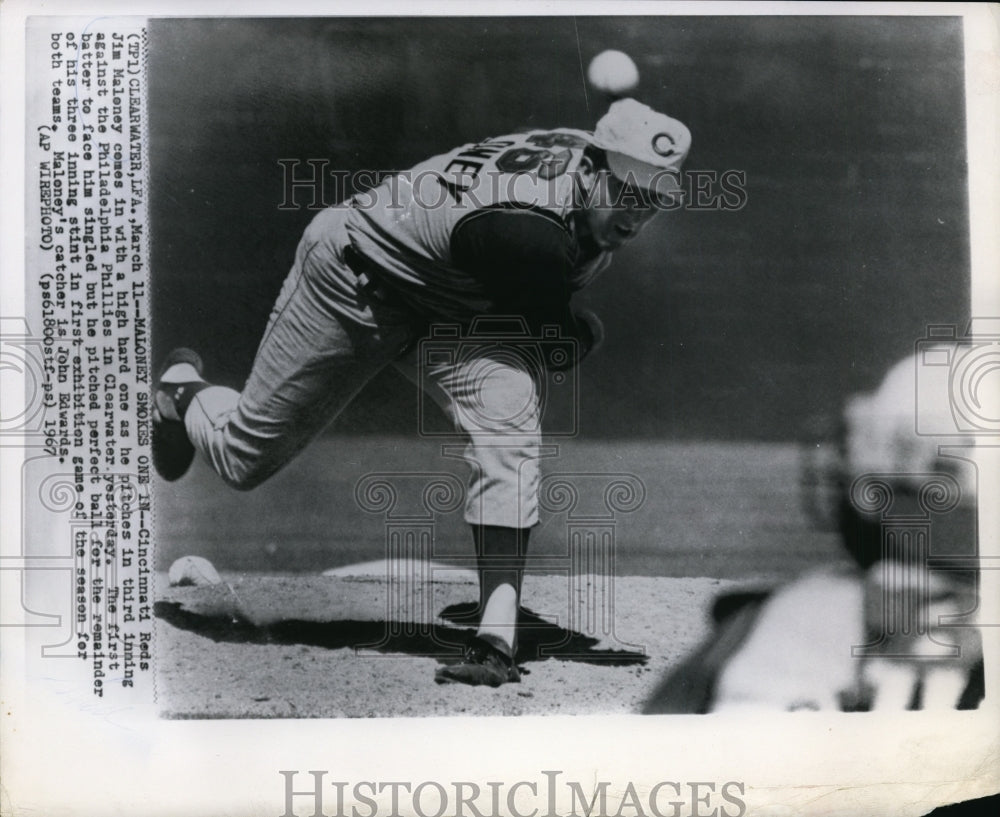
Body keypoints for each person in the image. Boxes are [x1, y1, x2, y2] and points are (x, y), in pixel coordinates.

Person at [153, 98, 692, 686]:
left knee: (509, 421)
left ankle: (494, 640)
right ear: (590, 169)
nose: (638, 214)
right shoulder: (529, 231)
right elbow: (556, 343)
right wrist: (579, 333)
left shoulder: (583, 174)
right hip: (356, 276)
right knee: (242, 458)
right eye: (629, 190)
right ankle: (182, 392)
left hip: (452, 298)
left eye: (655, 197)